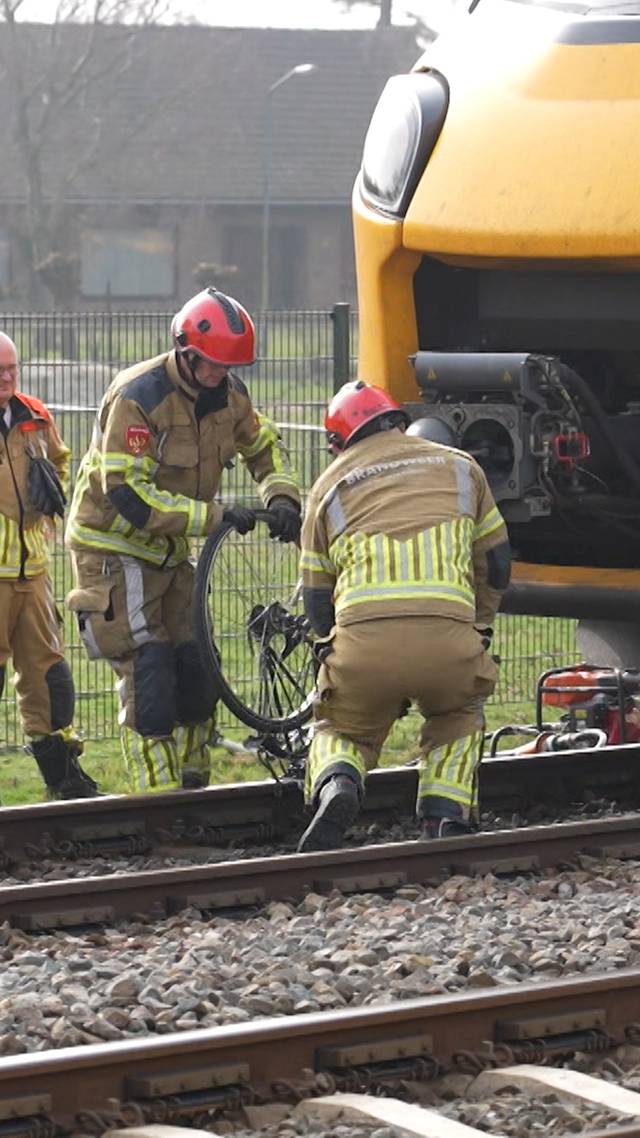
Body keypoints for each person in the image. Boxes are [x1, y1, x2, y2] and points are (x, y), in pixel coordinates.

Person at [65, 287, 301, 793]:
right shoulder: (139, 397)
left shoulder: (227, 394)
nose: (221, 376)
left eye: (229, 367)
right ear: (186, 352)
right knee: (148, 665)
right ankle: (158, 801)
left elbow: (262, 444)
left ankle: (196, 791)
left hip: (171, 551)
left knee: (196, 664)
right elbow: (128, 496)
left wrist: (282, 497)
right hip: (114, 548)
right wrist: (214, 515)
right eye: (213, 365)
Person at [297, 379, 511, 852]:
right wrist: (479, 626)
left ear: (339, 442)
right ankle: (445, 816)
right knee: (458, 713)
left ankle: (339, 783)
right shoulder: (462, 468)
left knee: (340, 727)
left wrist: (334, 645)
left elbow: (316, 596)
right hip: (448, 643)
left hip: (363, 649)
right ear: (398, 421)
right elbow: (496, 563)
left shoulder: (327, 486)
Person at [0, 331, 98, 800]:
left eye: (11, 368)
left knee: (49, 676)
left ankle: (64, 779)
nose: (6, 376)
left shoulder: (34, 416)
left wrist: (51, 482)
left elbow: (61, 459)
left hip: (33, 574)